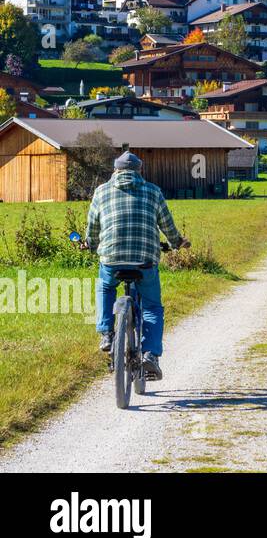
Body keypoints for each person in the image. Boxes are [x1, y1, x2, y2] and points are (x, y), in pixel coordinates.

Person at [84, 152, 188, 380]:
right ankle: (150, 354)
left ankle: (106, 334)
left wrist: (91, 245)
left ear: (115, 170)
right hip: (145, 261)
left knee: (105, 287)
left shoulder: (101, 192)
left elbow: (92, 227)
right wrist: (178, 243)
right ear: (139, 171)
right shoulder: (153, 191)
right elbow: (167, 225)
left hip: (111, 259)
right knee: (151, 306)